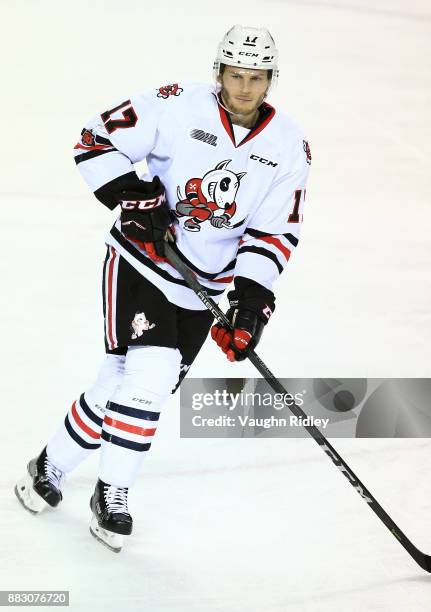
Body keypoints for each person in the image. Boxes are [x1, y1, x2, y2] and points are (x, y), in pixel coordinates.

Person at [15, 24, 311, 552]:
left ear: (271, 80)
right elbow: (95, 138)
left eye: (257, 77)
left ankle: (50, 465)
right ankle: (114, 494)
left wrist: (250, 305)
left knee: (124, 385)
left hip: (204, 285)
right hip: (142, 260)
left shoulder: (289, 145)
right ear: (218, 71)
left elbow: (274, 231)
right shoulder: (176, 105)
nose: (244, 88)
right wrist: (136, 195)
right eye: (235, 74)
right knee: (148, 378)